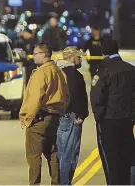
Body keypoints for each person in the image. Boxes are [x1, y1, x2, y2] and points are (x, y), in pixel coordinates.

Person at [19, 43, 69, 185]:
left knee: (34, 156)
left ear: (44, 54)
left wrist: (27, 117)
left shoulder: (41, 73)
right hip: (55, 117)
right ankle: (56, 182)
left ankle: (35, 184)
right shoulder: (60, 72)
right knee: (52, 153)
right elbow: (67, 96)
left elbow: (34, 99)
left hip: (40, 117)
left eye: (35, 53)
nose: (33, 56)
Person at [90, 39, 135, 185]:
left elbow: (97, 97)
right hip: (127, 120)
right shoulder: (130, 69)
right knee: (128, 156)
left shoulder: (104, 70)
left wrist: (99, 117)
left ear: (103, 52)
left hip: (109, 121)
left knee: (111, 159)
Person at [55, 46, 89, 185]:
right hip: (70, 117)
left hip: (58, 117)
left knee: (61, 154)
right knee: (69, 156)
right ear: (71, 57)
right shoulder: (73, 74)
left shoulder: (55, 71)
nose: (80, 59)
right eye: (78, 56)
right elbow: (75, 95)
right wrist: (81, 115)